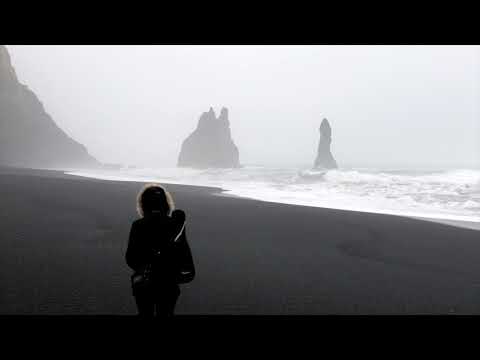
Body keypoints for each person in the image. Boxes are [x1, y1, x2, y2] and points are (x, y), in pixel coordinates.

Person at [126, 183, 195, 317]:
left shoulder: (138, 225)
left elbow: (130, 258)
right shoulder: (176, 224)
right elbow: (185, 255)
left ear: (143, 204)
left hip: (143, 283)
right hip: (169, 283)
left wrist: (145, 263)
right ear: (166, 204)